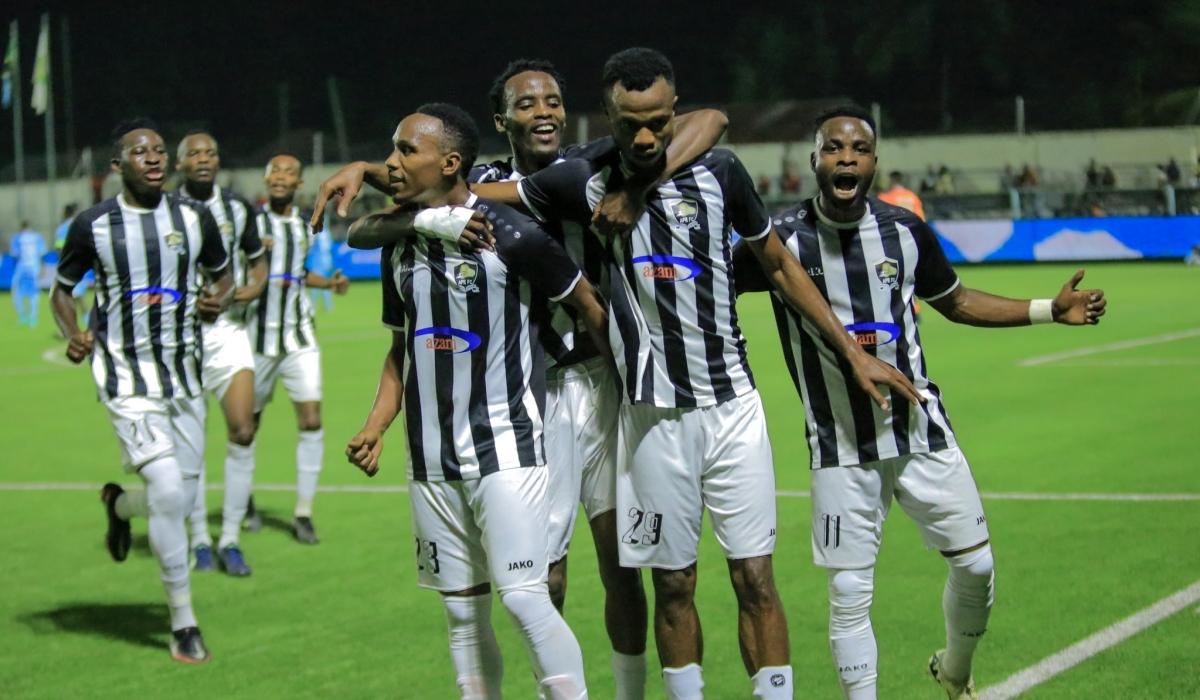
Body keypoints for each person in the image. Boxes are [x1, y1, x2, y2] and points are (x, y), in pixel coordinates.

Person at [315, 57, 728, 700]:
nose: (545, 112)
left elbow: (710, 118)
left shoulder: (595, 160)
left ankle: (630, 693)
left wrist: (641, 189)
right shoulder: (477, 182)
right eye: (528, 104)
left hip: (609, 386)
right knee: (543, 579)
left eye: (554, 101)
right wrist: (407, 198)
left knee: (624, 566)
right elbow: (386, 218)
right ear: (501, 121)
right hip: (537, 394)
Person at [514, 48, 920, 700]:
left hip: (734, 411)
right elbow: (472, 194)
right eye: (628, 125)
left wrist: (852, 350)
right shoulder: (578, 181)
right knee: (672, 584)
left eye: (658, 121)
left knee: (755, 579)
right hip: (650, 421)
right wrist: (380, 179)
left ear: (675, 112)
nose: (644, 137)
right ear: (608, 119)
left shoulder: (720, 172)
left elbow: (782, 267)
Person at [731, 106, 1107, 700]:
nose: (846, 157)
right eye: (833, 148)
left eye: (858, 148)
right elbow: (707, 289)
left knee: (977, 568)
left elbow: (956, 301)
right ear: (815, 162)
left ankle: (955, 671)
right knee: (849, 596)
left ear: (874, 162)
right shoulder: (779, 242)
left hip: (920, 431)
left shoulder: (905, 232)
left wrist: (1046, 310)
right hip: (839, 443)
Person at [346, 103, 608, 700]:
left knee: (522, 598)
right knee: (462, 613)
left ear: (451, 162)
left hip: (506, 445)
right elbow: (401, 349)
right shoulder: (401, 240)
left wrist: (621, 387)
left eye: (407, 150)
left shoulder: (511, 233)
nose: (392, 162)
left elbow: (589, 305)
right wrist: (376, 424)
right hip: (430, 456)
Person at [50, 118, 235, 663]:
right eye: (140, 152)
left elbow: (222, 275)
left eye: (158, 150)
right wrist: (75, 333)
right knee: (171, 492)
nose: (153, 158)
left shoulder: (194, 218)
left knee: (177, 496)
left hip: (183, 377)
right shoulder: (92, 226)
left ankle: (119, 504)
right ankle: (183, 623)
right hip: (125, 376)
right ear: (118, 166)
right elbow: (62, 293)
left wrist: (217, 298)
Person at [170, 131, 268, 575]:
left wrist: (252, 287)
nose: (204, 158)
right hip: (181, 337)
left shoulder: (236, 207)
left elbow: (256, 258)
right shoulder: (165, 210)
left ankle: (230, 538)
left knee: (243, 430)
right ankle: (198, 540)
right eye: (194, 153)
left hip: (229, 330)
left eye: (210, 151)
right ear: (180, 164)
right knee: (189, 450)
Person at [244, 154, 348, 545]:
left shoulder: (308, 225)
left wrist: (328, 283)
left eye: (289, 172)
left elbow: (297, 272)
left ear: (299, 183)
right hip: (256, 338)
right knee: (246, 427)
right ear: (265, 179)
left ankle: (303, 512)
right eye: (274, 171)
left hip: (299, 338)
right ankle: (244, 500)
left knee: (311, 421)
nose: (280, 177)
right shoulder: (250, 224)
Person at [10, 221, 46, 327]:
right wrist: (42, 268)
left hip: (22, 266)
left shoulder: (17, 237)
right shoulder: (37, 236)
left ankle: (22, 316)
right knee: (34, 292)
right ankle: (33, 318)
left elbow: (15, 255)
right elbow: (42, 253)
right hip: (34, 266)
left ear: (22, 227)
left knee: (16, 290)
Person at [307, 223, 336, 311]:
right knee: (325, 282)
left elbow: (313, 247)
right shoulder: (326, 233)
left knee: (315, 283)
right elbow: (330, 247)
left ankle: (313, 304)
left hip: (317, 261)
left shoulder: (315, 233)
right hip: (326, 260)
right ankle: (329, 306)